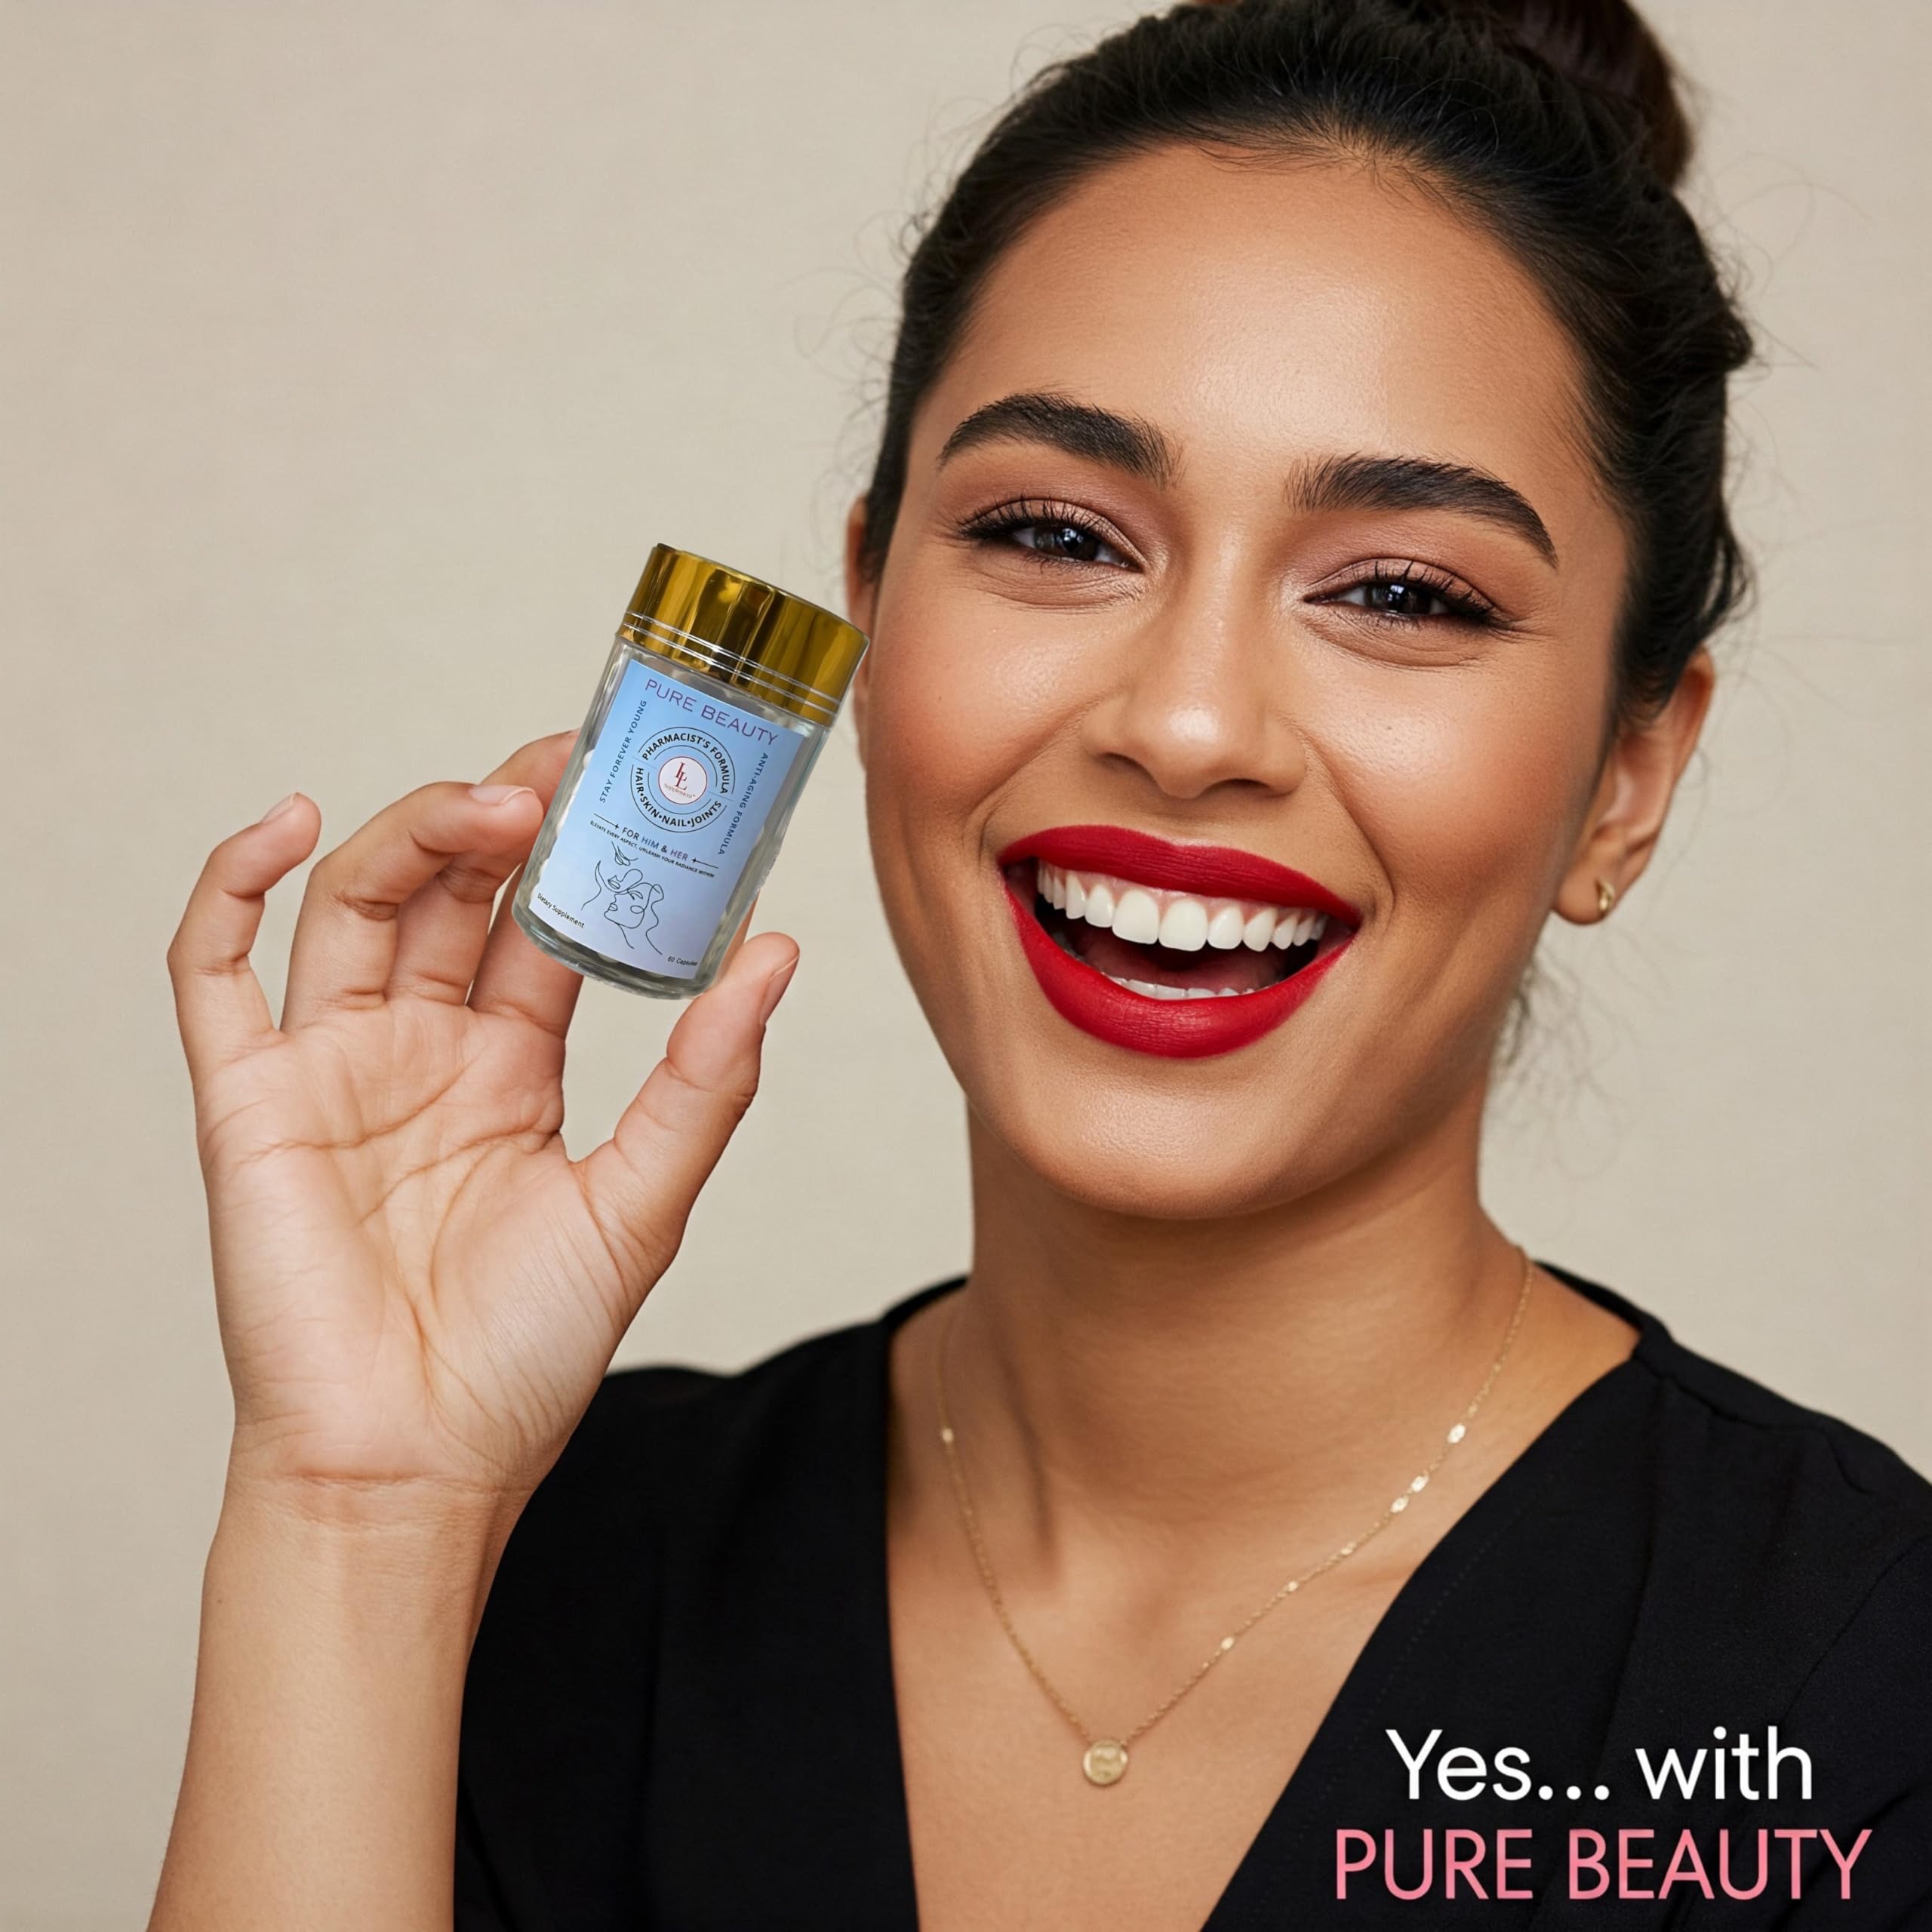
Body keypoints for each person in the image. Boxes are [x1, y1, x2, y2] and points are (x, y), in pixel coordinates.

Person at [146, 2, 1932, 1927]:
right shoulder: (542, 1560)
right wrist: (359, 1513)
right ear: (868, 607)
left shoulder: (1851, 1692)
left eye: (1401, 591)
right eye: (1056, 533)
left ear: (1624, 777)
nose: (1182, 720)